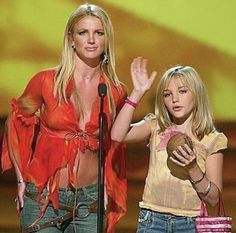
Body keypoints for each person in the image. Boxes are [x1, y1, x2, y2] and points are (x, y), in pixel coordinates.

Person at [1, 3, 127, 233]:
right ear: (71, 38)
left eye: (99, 33)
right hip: (44, 198)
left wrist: (107, 187)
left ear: (107, 39)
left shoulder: (115, 91)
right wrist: (20, 180)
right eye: (83, 33)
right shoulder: (46, 81)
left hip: (90, 203)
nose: (91, 40)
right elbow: (15, 120)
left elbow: (113, 145)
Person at [111, 57, 228, 232]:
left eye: (182, 91)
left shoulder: (212, 138)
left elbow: (213, 199)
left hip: (189, 223)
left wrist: (192, 167)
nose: (174, 99)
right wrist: (137, 92)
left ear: (197, 93)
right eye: (167, 94)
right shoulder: (156, 126)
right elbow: (117, 134)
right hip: (152, 220)